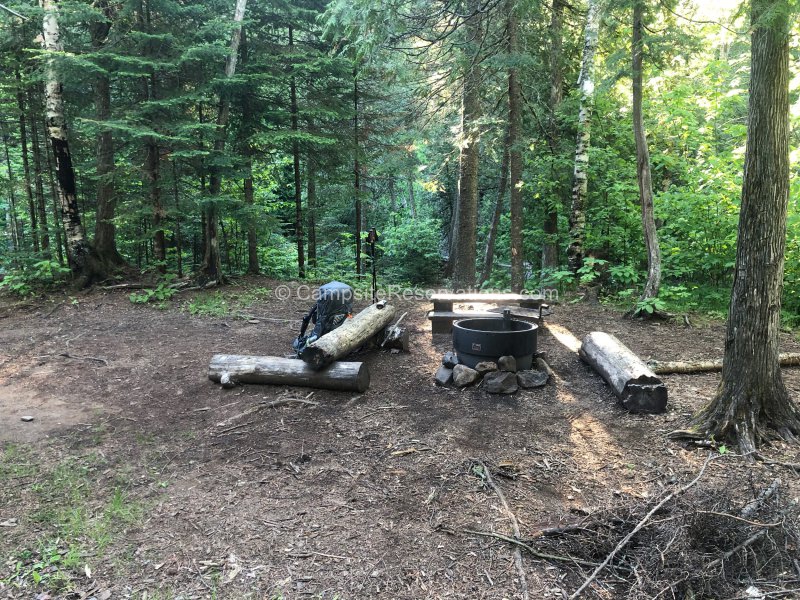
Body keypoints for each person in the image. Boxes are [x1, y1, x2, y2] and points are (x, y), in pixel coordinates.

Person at [292, 281, 354, 355]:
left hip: (323, 337)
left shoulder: (325, 294)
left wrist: (302, 336)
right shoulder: (348, 291)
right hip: (344, 333)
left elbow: (311, 319)